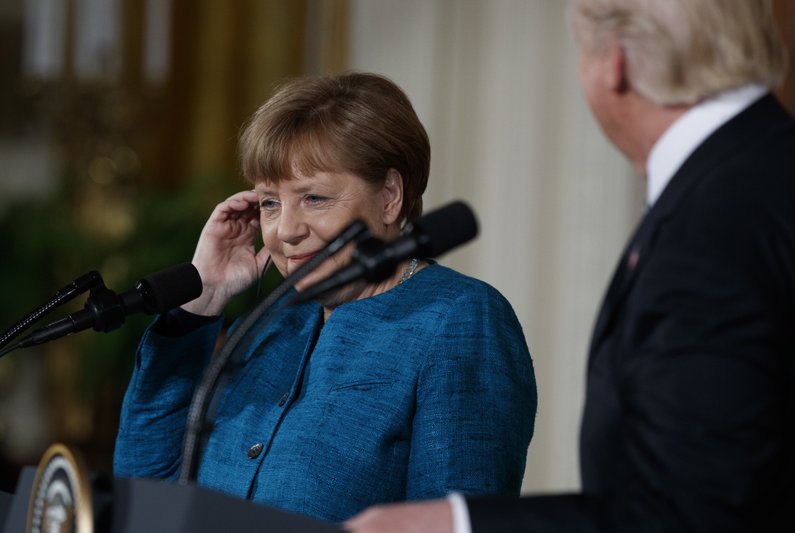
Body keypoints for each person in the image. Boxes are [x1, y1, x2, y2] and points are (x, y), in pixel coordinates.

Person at [344, 0, 795, 531]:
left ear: (615, 63)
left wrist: (455, 523)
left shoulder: (709, 227)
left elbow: (687, 512)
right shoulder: (768, 171)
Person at [113, 72, 537, 523]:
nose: (285, 231)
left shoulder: (458, 319)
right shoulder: (269, 326)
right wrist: (203, 301)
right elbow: (147, 500)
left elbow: (454, 523)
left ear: (390, 196)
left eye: (313, 198)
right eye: (270, 203)